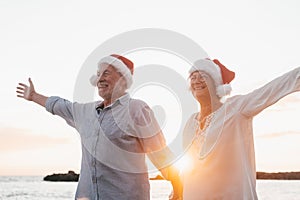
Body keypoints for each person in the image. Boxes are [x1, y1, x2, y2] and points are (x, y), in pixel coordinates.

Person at [16, 54, 182, 200]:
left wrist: (178, 188)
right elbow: (59, 105)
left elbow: (160, 154)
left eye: (106, 73)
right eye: (98, 74)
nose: (100, 78)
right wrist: (33, 96)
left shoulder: (136, 109)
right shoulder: (85, 111)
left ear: (123, 78)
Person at [181, 58, 300, 199]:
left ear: (216, 83)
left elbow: (270, 90)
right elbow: (187, 166)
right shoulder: (190, 122)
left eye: (203, 76)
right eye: (193, 77)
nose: (197, 81)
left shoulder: (236, 108)